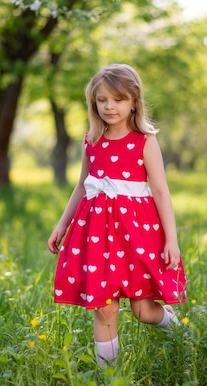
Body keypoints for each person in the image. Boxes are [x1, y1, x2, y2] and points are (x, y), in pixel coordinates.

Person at [47, 63, 187, 367]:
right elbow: (83, 187)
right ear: (93, 102)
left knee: (143, 311)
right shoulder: (91, 141)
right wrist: (62, 224)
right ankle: (108, 375)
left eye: (119, 99)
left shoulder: (144, 141)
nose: (109, 106)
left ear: (134, 101)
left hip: (136, 233)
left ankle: (183, 332)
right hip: (96, 233)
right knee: (104, 307)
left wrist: (171, 241)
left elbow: (161, 192)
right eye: (102, 100)